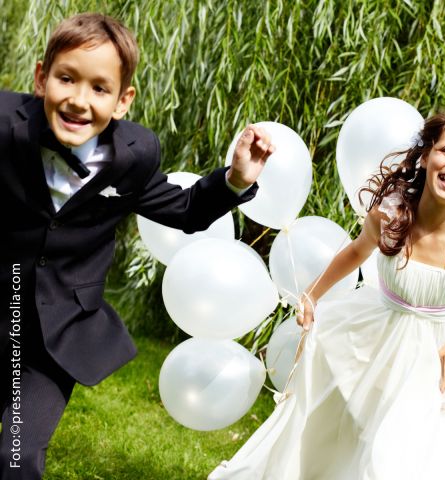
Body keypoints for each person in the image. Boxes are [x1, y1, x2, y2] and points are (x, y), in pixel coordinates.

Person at [0, 12, 274, 480]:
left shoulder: (133, 155)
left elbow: (185, 211)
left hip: (53, 336)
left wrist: (235, 179)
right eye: (66, 78)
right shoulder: (6, 123)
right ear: (42, 77)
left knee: (17, 455)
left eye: (99, 88)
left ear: (123, 100)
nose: (79, 100)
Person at [209, 105, 445, 480]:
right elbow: (355, 252)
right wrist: (312, 295)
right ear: (427, 154)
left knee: (404, 453)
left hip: (432, 355)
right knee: (351, 434)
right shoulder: (391, 214)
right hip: (376, 337)